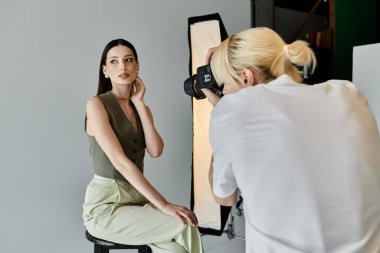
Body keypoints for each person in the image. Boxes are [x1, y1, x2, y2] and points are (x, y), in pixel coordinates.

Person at [202, 27, 380, 253]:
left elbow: (224, 197)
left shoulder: (233, 110)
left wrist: (220, 111)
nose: (223, 92)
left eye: (224, 85)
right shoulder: (347, 93)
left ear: (246, 77)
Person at [82, 38, 203, 253]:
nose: (122, 67)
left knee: (176, 249)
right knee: (183, 225)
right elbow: (120, 162)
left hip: (136, 200)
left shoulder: (142, 108)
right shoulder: (96, 105)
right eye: (114, 61)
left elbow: (156, 150)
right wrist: (164, 204)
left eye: (128, 60)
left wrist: (139, 103)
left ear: (137, 66)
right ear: (105, 70)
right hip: (106, 206)